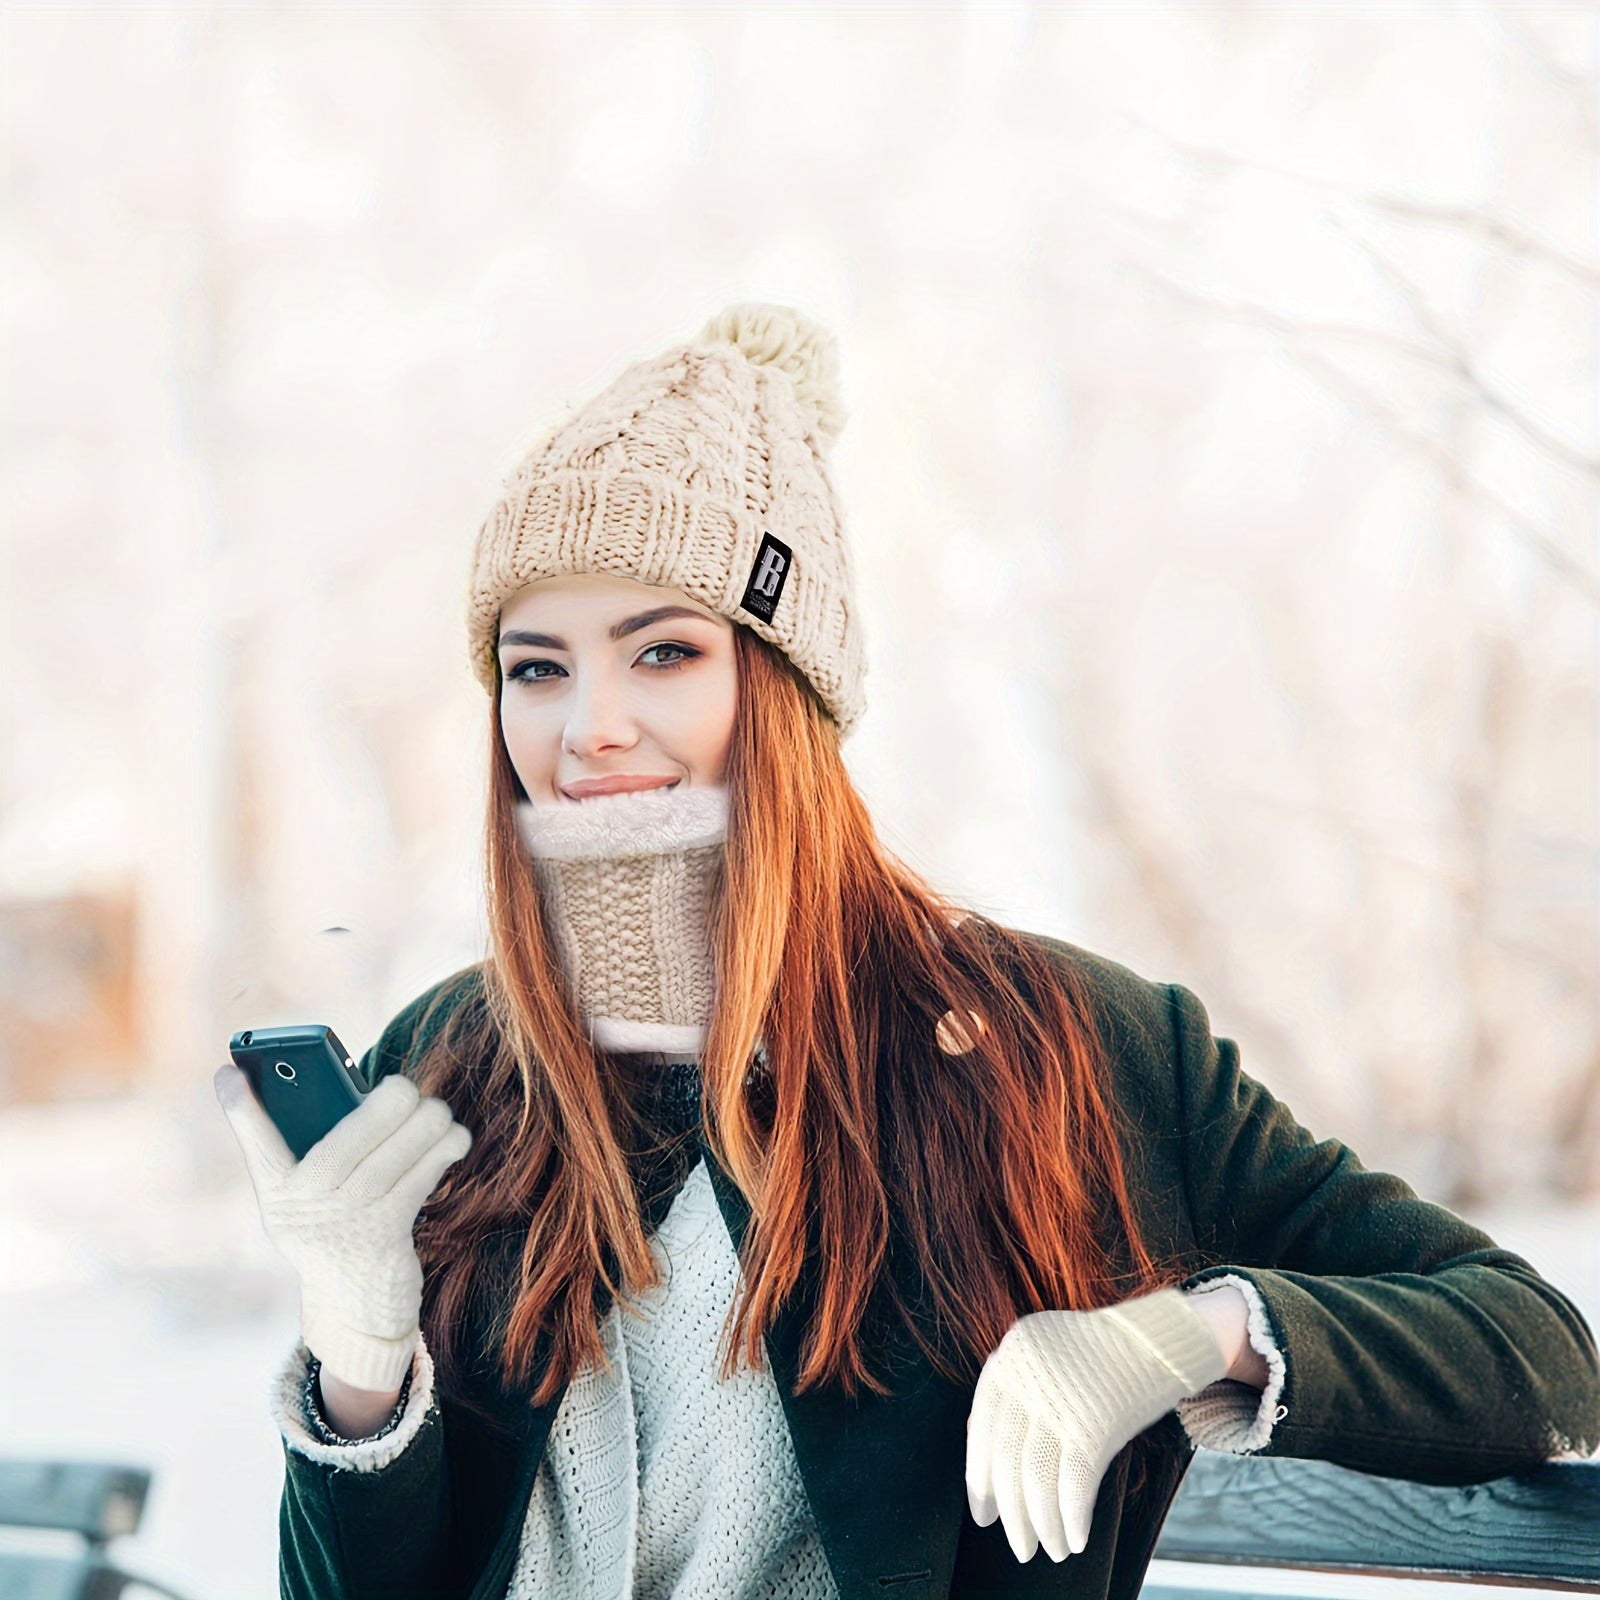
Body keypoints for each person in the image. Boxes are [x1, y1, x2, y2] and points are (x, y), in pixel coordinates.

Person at [214, 303, 1600, 1600]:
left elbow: (1535, 1348)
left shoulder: (1062, 1043)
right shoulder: (452, 1065)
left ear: (787, 687)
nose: (590, 729)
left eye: (664, 654)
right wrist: (358, 1353)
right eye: (537, 667)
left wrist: (1186, 1335)